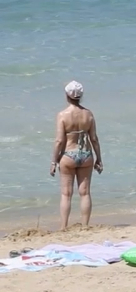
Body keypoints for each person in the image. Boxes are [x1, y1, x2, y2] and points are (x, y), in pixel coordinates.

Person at [51, 81, 103, 230]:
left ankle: (63, 227)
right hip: (86, 154)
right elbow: (94, 138)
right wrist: (99, 158)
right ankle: (85, 226)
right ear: (81, 96)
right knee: (85, 192)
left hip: (68, 154)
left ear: (67, 95)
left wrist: (54, 161)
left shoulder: (62, 115)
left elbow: (59, 140)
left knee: (66, 194)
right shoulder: (88, 114)